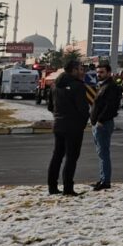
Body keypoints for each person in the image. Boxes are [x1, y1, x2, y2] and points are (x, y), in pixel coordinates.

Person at [47, 60, 90, 196]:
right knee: (71, 157)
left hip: (58, 125)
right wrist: (82, 123)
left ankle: (52, 187)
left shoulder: (54, 85)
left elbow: (50, 106)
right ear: (73, 70)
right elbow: (83, 108)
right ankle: (68, 188)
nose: (83, 72)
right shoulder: (78, 86)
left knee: (57, 156)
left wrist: (58, 115)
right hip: (73, 127)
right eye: (80, 69)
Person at [89, 63, 122, 191]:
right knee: (101, 153)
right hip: (98, 124)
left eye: (102, 72)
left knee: (104, 153)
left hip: (103, 124)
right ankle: (103, 179)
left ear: (108, 73)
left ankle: (105, 181)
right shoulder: (103, 86)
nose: (99, 74)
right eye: (98, 72)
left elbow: (110, 107)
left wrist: (101, 120)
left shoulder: (110, 87)